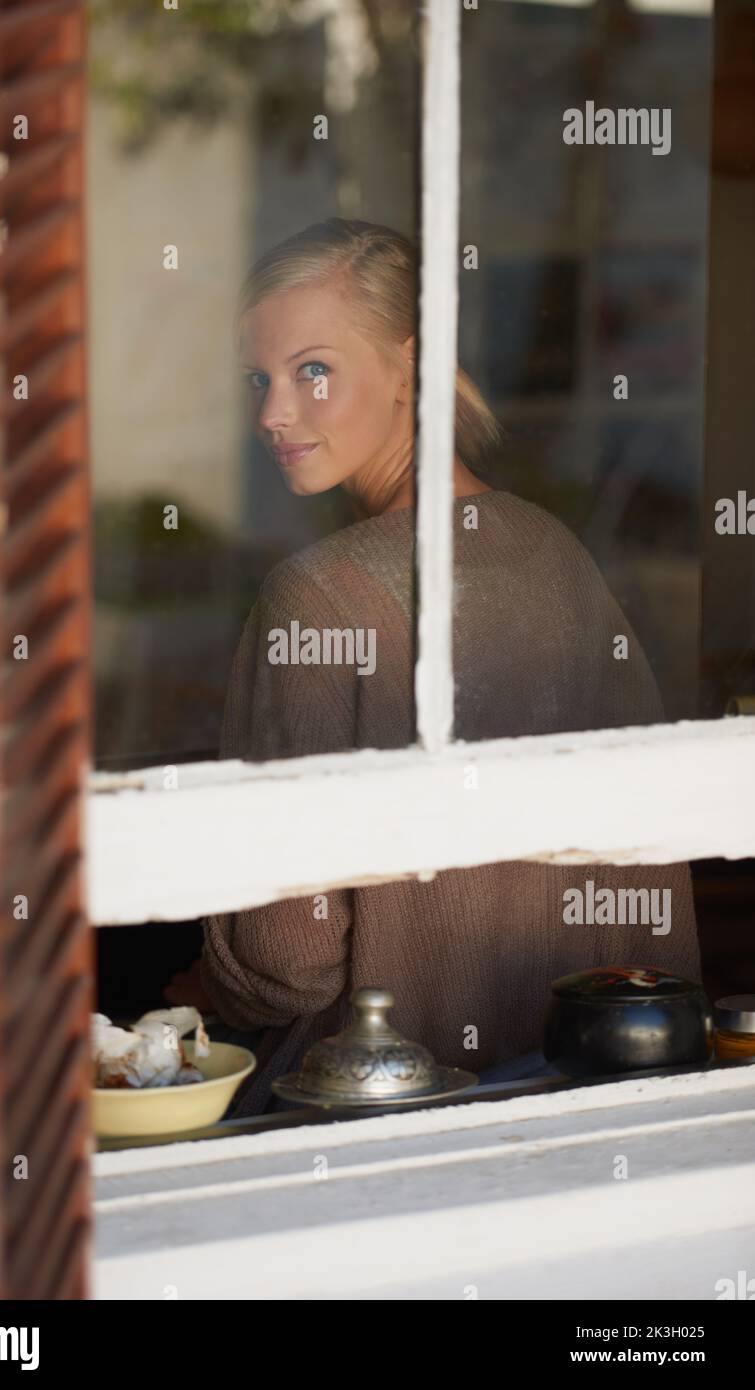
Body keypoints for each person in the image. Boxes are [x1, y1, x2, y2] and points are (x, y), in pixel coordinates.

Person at [165, 218, 702, 1116]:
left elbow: (286, 964)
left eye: (313, 371)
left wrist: (199, 994)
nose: (271, 413)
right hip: (584, 1094)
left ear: (409, 369)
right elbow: (649, 873)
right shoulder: (556, 556)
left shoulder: (317, 596)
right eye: (259, 379)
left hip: (374, 1112)